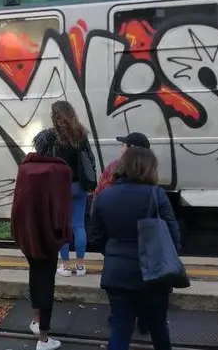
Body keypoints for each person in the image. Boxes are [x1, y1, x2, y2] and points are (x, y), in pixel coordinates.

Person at [89, 147, 180, 350]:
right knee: (158, 328)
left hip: (117, 274)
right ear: (149, 169)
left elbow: (95, 239)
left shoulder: (105, 197)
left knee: (121, 330)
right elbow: (173, 233)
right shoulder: (156, 194)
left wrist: (113, 254)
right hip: (154, 275)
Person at [10, 128, 72, 350]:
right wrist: (63, 234)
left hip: (27, 234)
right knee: (47, 280)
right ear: (56, 146)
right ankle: (43, 339)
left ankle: (36, 321)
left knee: (36, 274)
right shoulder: (61, 170)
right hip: (49, 235)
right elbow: (63, 207)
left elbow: (18, 203)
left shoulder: (25, 169)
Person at [92, 132, 151, 335]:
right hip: (143, 244)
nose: (120, 148)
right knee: (144, 280)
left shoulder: (112, 169)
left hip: (114, 242)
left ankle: (118, 316)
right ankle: (144, 319)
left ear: (130, 149)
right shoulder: (150, 176)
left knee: (118, 285)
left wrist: (103, 245)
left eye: (123, 145)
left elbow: (98, 199)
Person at [50, 101, 96, 277]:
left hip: (60, 187)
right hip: (79, 185)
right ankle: (81, 265)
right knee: (79, 225)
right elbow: (90, 160)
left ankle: (66, 266)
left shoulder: (53, 136)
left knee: (63, 225)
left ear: (56, 116)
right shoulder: (81, 134)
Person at [93, 132, 151, 200]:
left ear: (130, 149)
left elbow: (98, 193)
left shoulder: (113, 167)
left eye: (123, 145)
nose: (121, 149)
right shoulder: (150, 173)